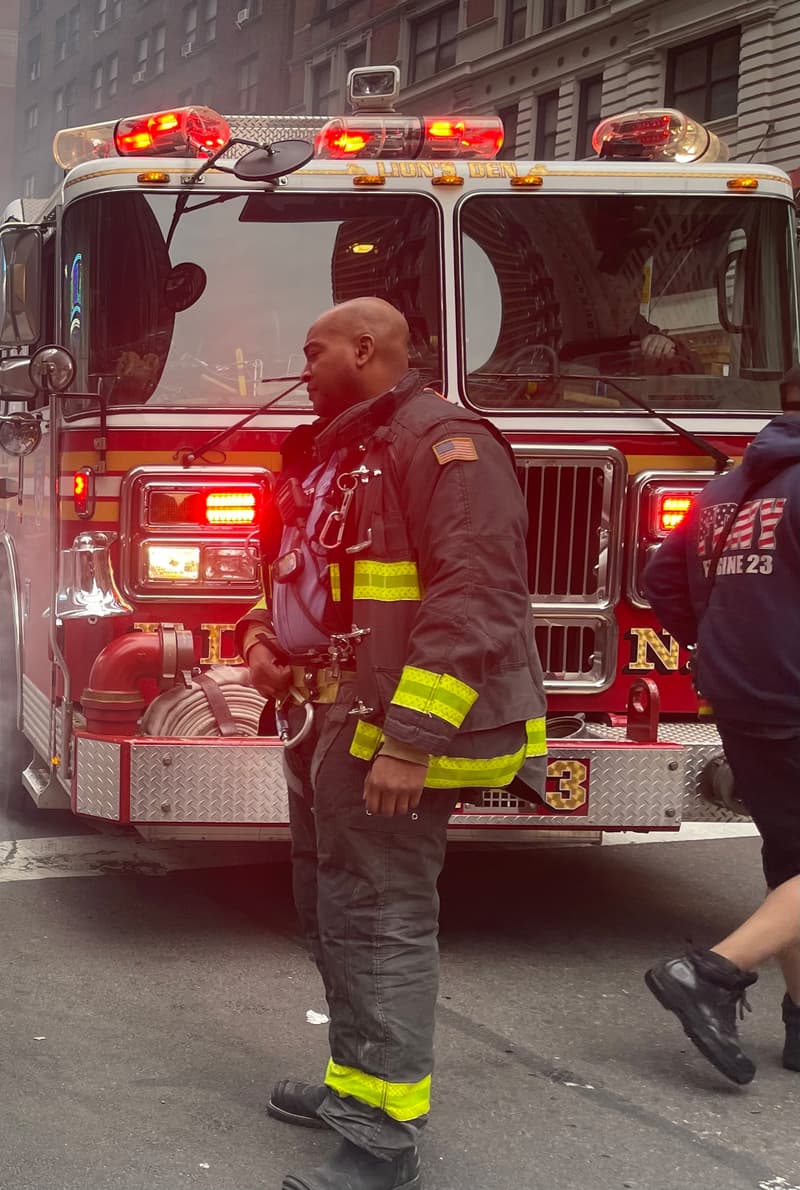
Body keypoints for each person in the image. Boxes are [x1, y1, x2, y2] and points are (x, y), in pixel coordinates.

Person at [238, 299, 546, 1190]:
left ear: (364, 349)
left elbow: (474, 598)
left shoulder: (445, 446)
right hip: (326, 722)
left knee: (379, 920)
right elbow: (290, 569)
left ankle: (382, 1139)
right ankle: (351, 1086)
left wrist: (409, 740)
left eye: (314, 350)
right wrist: (262, 639)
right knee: (330, 910)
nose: (302, 367)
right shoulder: (338, 452)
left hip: (385, 729)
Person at [642, 400, 800, 1086]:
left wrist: (713, 644)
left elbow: (660, 578)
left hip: (740, 698)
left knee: (793, 863)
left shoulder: (725, 488)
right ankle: (711, 973)